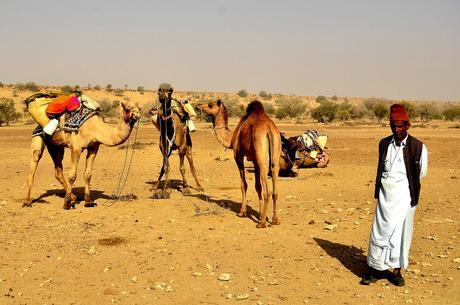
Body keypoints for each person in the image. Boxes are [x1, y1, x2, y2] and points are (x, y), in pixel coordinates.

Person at [360, 104, 428, 286]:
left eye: (400, 126)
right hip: (384, 197)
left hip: (404, 198)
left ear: (408, 125)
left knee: (400, 234)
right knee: (379, 233)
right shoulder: (384, 144)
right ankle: (375, 269)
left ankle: (397, 272)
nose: (397, 130)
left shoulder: (419, 147)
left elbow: (421, 173)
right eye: (393, 126)